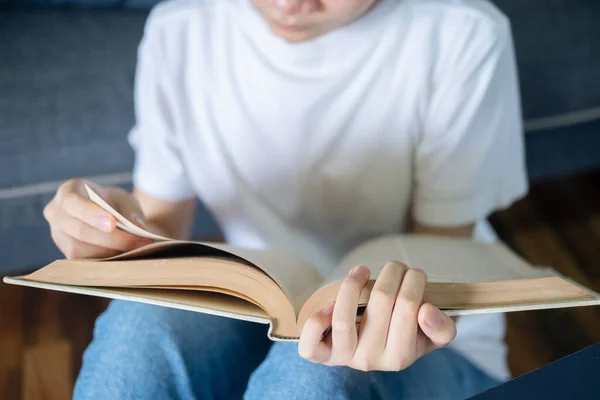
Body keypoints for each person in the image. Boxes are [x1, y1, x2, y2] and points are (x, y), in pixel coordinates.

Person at [43, 0, 528, 398]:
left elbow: (439, 257)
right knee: (137, 325)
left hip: (429, 344)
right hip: (256, 309)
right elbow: (162, 231)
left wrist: (407, 319)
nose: (290, 5)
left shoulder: (462, 32)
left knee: (316, 372)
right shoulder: (181, 29)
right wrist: (107, 231)